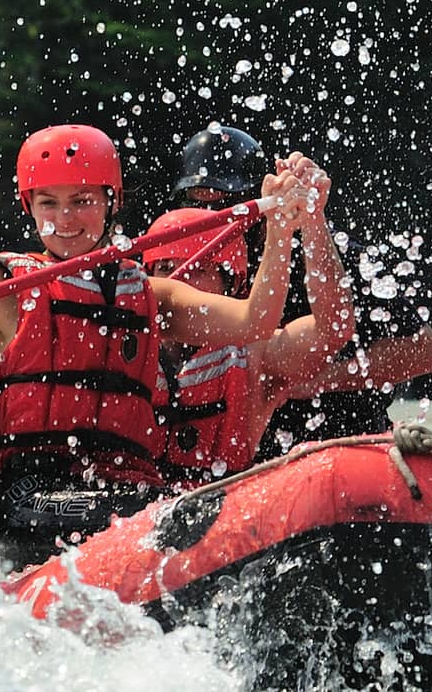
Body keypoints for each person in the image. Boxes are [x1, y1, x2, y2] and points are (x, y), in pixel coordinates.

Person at [0, 124, 321, 569]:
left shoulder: (148, 294)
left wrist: (281, 230)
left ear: (112, 202)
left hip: (127, 487)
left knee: (206, 509)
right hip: (29, 502)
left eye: (82, 202)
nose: (65, 219)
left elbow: (255, 320)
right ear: (29, 206)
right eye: (49, 203)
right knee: (187, 513)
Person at [169, 122, 432, 460]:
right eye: (200, 206)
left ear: (259, 201)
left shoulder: (325, 254)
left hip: (338, 445)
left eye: (228, 205)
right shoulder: (172, 267)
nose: (215, 221)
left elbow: (425, 351)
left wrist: (318, 379)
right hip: (236, 463)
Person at [141, 163, 359, 484]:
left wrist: (312, 221)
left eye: (200, 270)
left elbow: (333, 330)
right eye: (166, 269)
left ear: (231, 286)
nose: (182, 285)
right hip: (126, 512)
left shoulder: (256, 358)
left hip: (226, 514)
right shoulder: (123, 342)